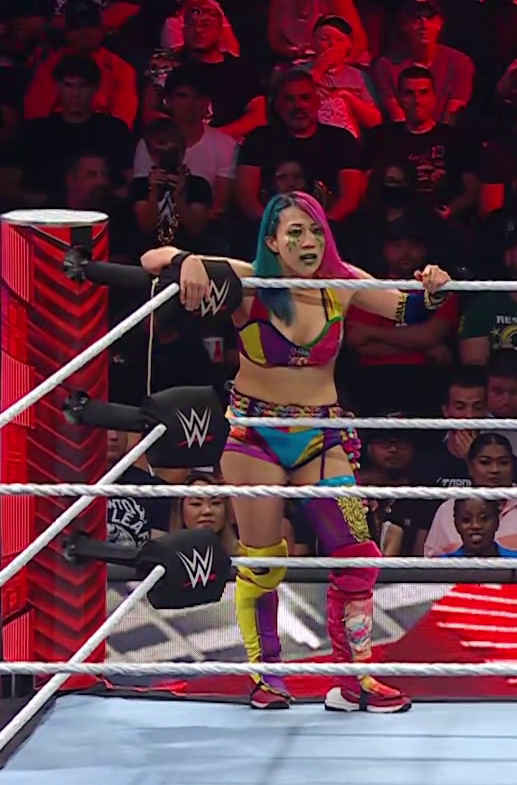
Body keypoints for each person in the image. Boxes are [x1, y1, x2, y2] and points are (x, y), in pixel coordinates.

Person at [141, 190, 450, 713]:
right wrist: (187, 260)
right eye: (295, 232)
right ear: (272, 241)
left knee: (358, 555)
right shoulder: (248, 282)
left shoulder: (342, 282)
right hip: (254, 437)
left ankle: (354, 681)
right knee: (263, 564)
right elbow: (153, 258)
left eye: (315, 230)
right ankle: (265, 676)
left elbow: (407, 306)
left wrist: (434, 286)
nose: (309, 241)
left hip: (322, 437)